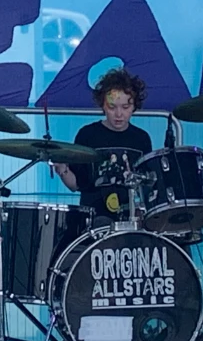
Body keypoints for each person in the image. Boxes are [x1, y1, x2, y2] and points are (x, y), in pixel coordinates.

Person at [53, 67, 153, 225]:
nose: (119, 114)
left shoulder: (142, 139)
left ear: (134, 106)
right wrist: (62, 169)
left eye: (125, 108)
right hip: (94, 218)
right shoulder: (87, 135)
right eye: (112, 107)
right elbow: (76, 184)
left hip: (131, 216)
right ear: (103, 105)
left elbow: (147, 186)